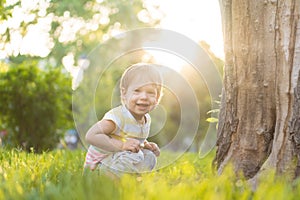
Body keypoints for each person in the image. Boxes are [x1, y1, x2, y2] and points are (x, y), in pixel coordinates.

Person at [84, 63, 163, 177]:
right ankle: (109, 179)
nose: (144, 97)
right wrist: (121, 145)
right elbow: (91, 135)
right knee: (136, 156)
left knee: (149, 156)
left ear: (157, 98)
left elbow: (132, 137)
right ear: (124, 93)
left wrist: (145, 145)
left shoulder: (146, 119)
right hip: (98, 165)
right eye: (137, 90)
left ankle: (129, 179)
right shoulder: (118, 117)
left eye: (150, 92)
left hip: (118, 158)